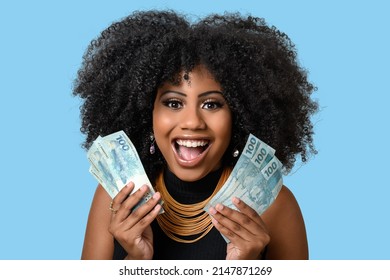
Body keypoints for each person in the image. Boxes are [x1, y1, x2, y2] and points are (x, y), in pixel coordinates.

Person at [73, 10, 318, 260]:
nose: (192, 122)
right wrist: (135, 262)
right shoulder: (115, 199)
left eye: (211, 104)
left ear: (240, 116)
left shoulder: (276, 207)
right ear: (148, 112)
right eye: (173, 103)